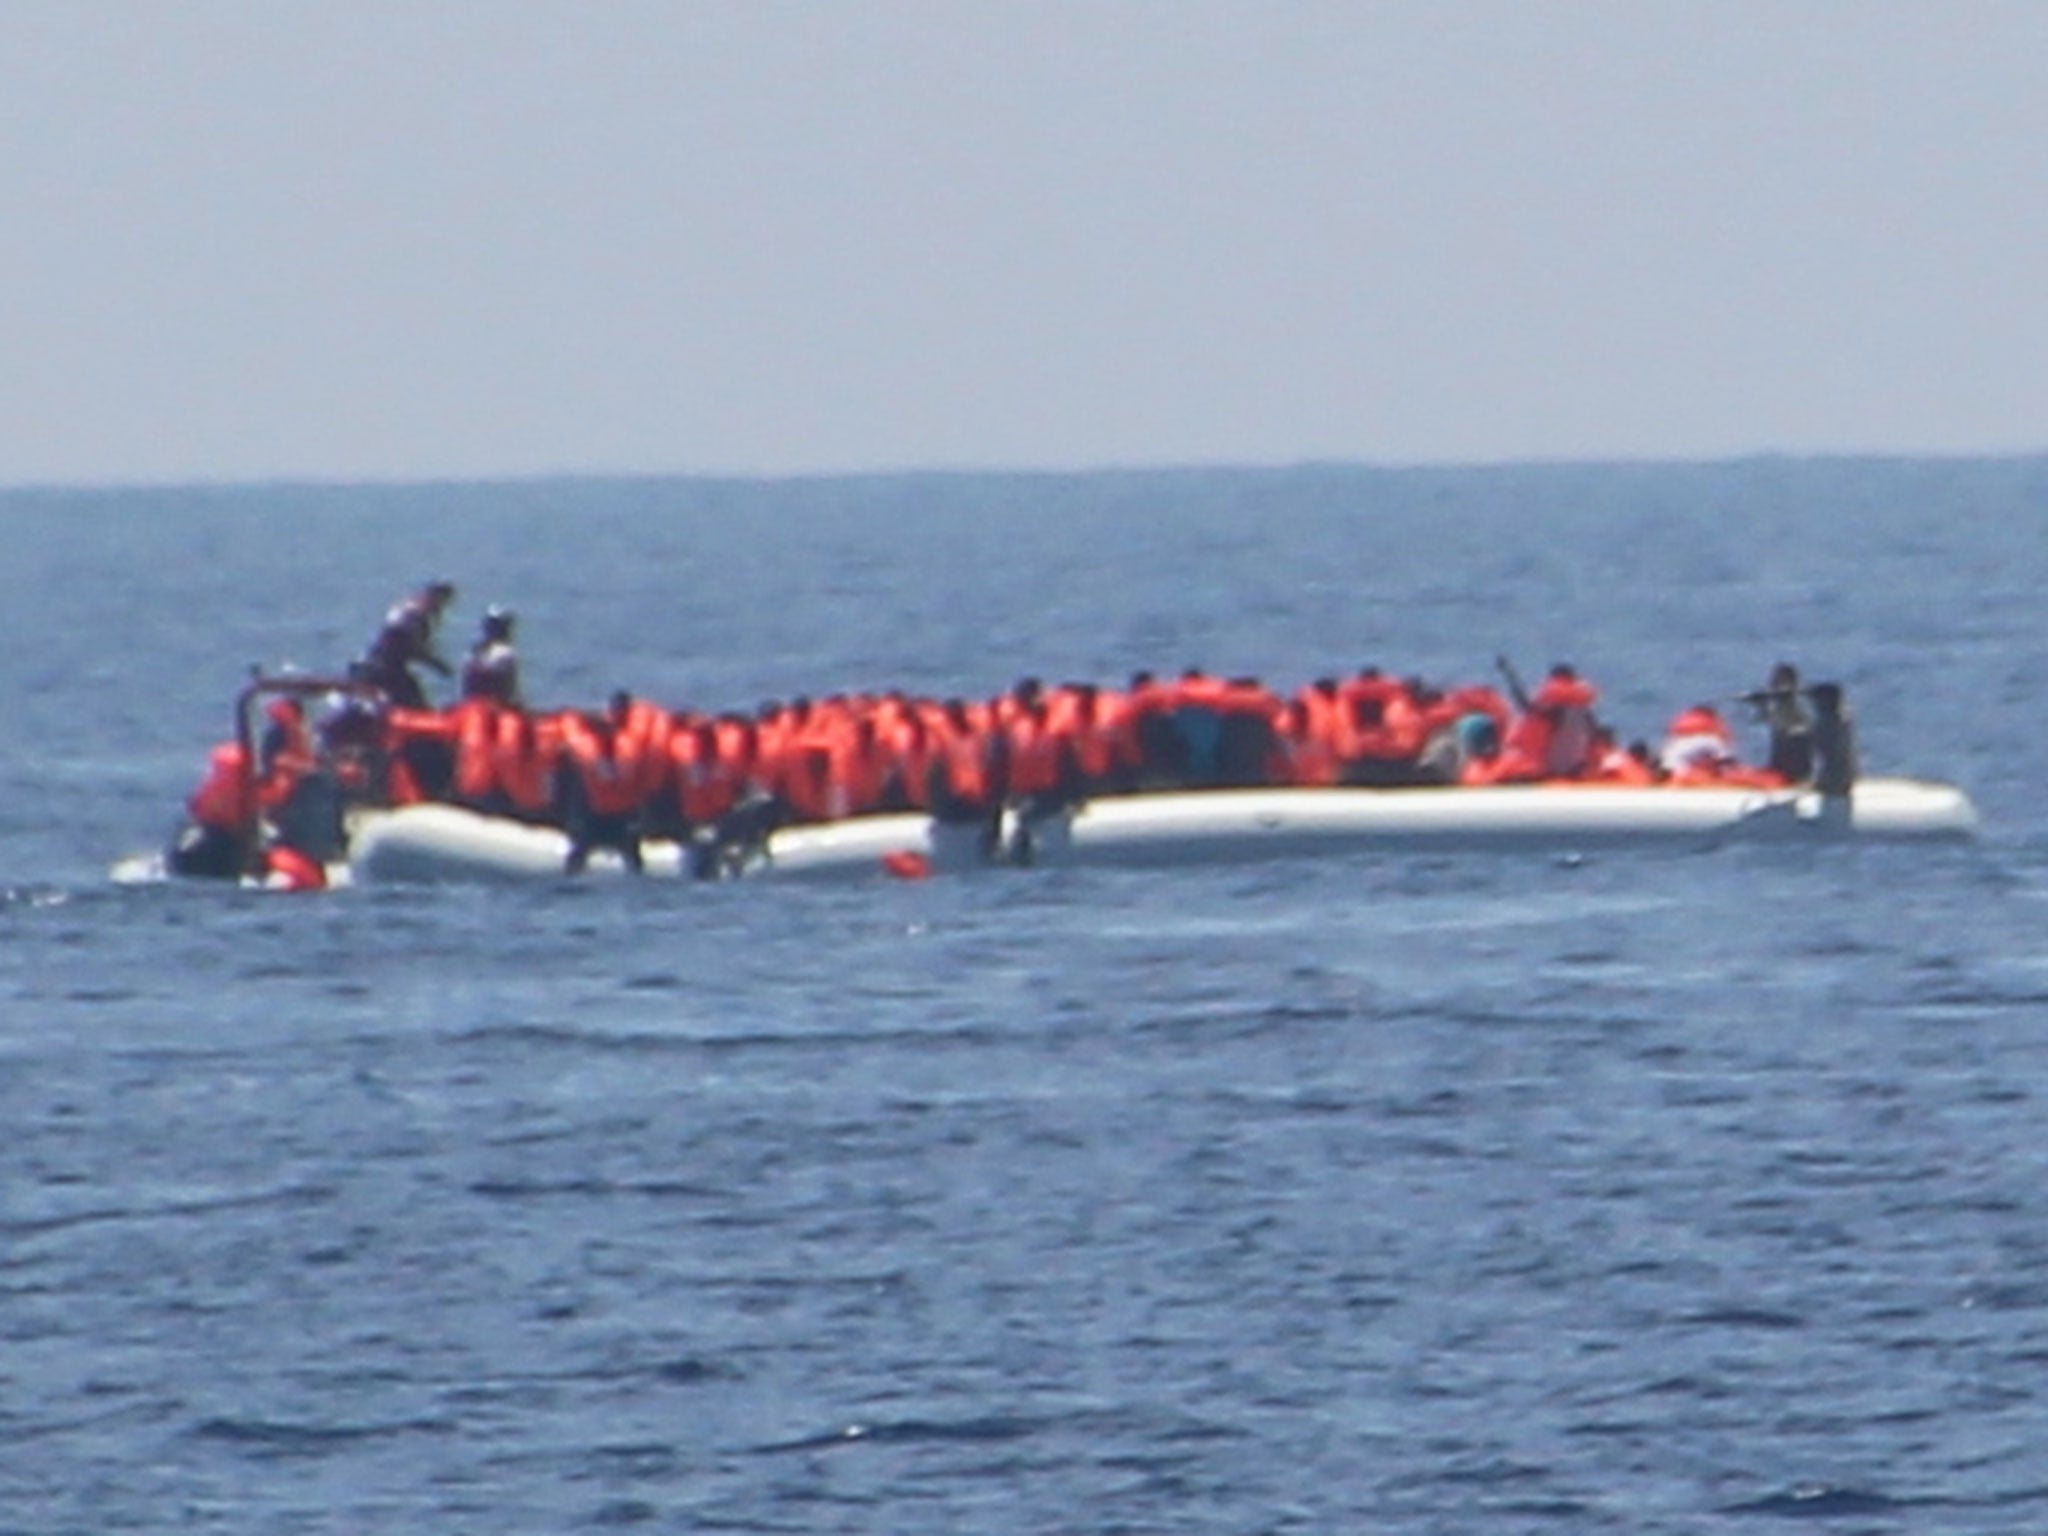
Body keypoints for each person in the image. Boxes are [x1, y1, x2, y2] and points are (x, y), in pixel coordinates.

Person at [355, 580, 456, 709]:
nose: (441, 607)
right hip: (383, 669)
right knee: (414, 702)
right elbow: (411, 646)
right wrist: (438, 665)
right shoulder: (414, 615)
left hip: (381, 666)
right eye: (441, 601)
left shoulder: (408, 612)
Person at [1742, 661, 1815, 782]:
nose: (1774, 685)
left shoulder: (1800, 703)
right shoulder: (1777, 704)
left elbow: (1797, 727)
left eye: (1780, 681)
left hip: (1797, 769)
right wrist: (1761, 705)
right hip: (1778, 766)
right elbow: (1761, 723)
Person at [460, 605, 523, 707]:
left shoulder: (472, 653)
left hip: (471, 705)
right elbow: (510, 687)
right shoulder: (505, 653)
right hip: (496, 707)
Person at [1808, 682, 1858, 799]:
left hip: (1833, 779)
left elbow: (1822, 747)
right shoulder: (1842, 719)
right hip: (1844, 777)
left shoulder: (1828, 722)